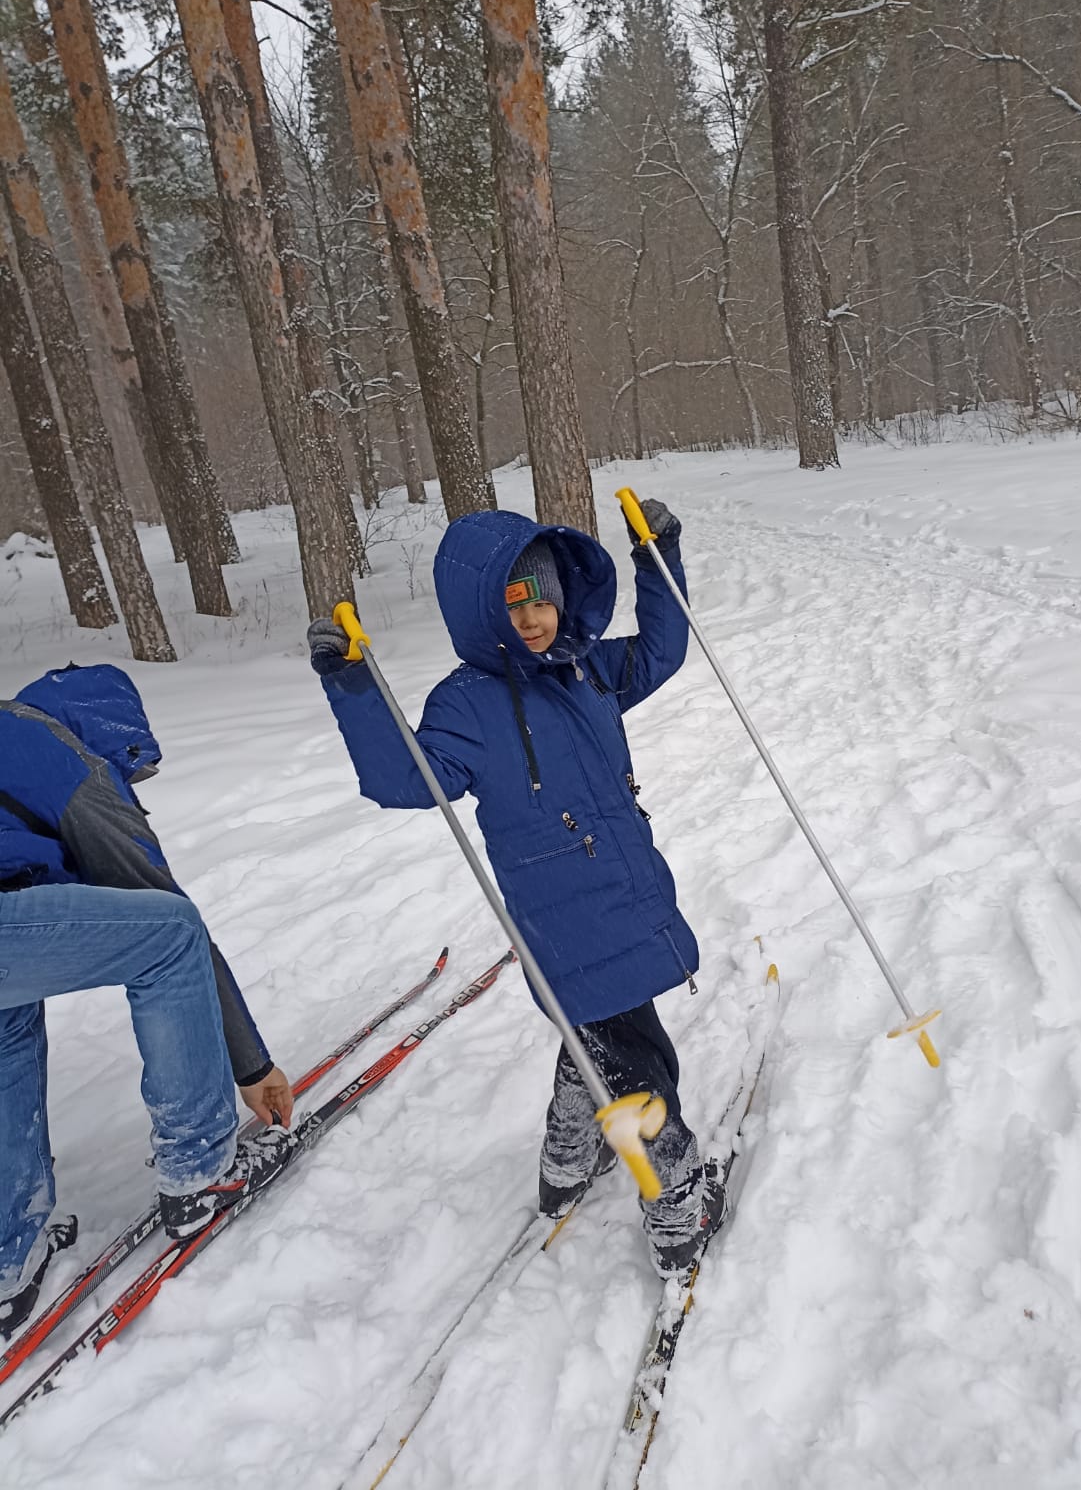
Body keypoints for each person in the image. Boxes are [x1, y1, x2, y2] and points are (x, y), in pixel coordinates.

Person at [307, 499, 724, 1277]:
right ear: (479, 613)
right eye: (511, 605)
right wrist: (351, 681)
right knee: (635, 1065)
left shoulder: (585, 668)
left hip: (627, 888)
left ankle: (568, 1158)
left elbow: (663, 653)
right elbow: (406, 779)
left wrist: (656, 555)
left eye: (540, 598)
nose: (531, 618)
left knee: (602, 1035)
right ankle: (675, 1201)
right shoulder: (466, 703)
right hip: (559, 915)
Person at [0, 664, 295, 1342]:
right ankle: (199, 1169)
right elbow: (155, 895)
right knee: (169, 934)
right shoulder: (60, 753)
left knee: (7, 1023)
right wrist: (251, 1064)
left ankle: (9, 1258)